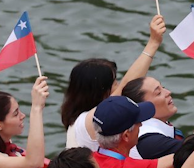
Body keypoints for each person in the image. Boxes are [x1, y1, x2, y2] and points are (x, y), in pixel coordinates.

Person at [63, 15, 167, 151]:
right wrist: (153, 43)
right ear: (100, 91)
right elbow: (126, 86)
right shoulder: (87, 122)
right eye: (114, 82)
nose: (118, 86)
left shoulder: (76, 120)